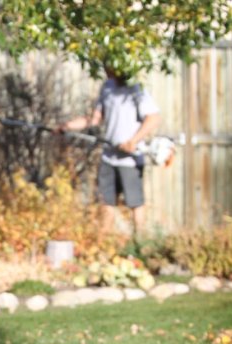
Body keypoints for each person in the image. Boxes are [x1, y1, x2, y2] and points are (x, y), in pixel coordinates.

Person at [59, 66, 160, 237]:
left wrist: (133, 141)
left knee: (135, 203)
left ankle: (141, 243)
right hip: (109, 157)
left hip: (130, 159)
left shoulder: (136, 89)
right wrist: (67, 127)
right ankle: (103, 243)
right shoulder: (107, 87)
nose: (106, 69)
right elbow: (94, 119)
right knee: (106, 201)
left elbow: (154, 118)